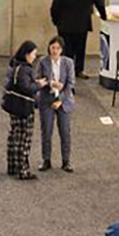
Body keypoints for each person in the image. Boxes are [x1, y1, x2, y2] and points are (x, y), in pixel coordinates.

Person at [34, 36, 75, 172]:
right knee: (46, 130)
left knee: (65, 132)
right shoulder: (43, 62)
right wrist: (51, 83)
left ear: (62, 50)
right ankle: (46, 160)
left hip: (63, 101)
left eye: (57, 48)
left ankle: (66, 161)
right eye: (52, 48)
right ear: (49, 48)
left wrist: (60, 100)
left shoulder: (68, 63)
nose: (55, 51)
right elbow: (38, 79)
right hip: (47, 99)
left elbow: (70, 85)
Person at [4, 41, 42, 180]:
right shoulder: (25, 69)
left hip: (13, 105)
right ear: (27, 54)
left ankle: (12, 166)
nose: (34, 57)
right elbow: (27, 88)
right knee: (24, 139)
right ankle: (23, 170)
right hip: (24, 107)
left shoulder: (13, 64)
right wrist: (39, 85)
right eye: (33, 54)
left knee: (14, 136)